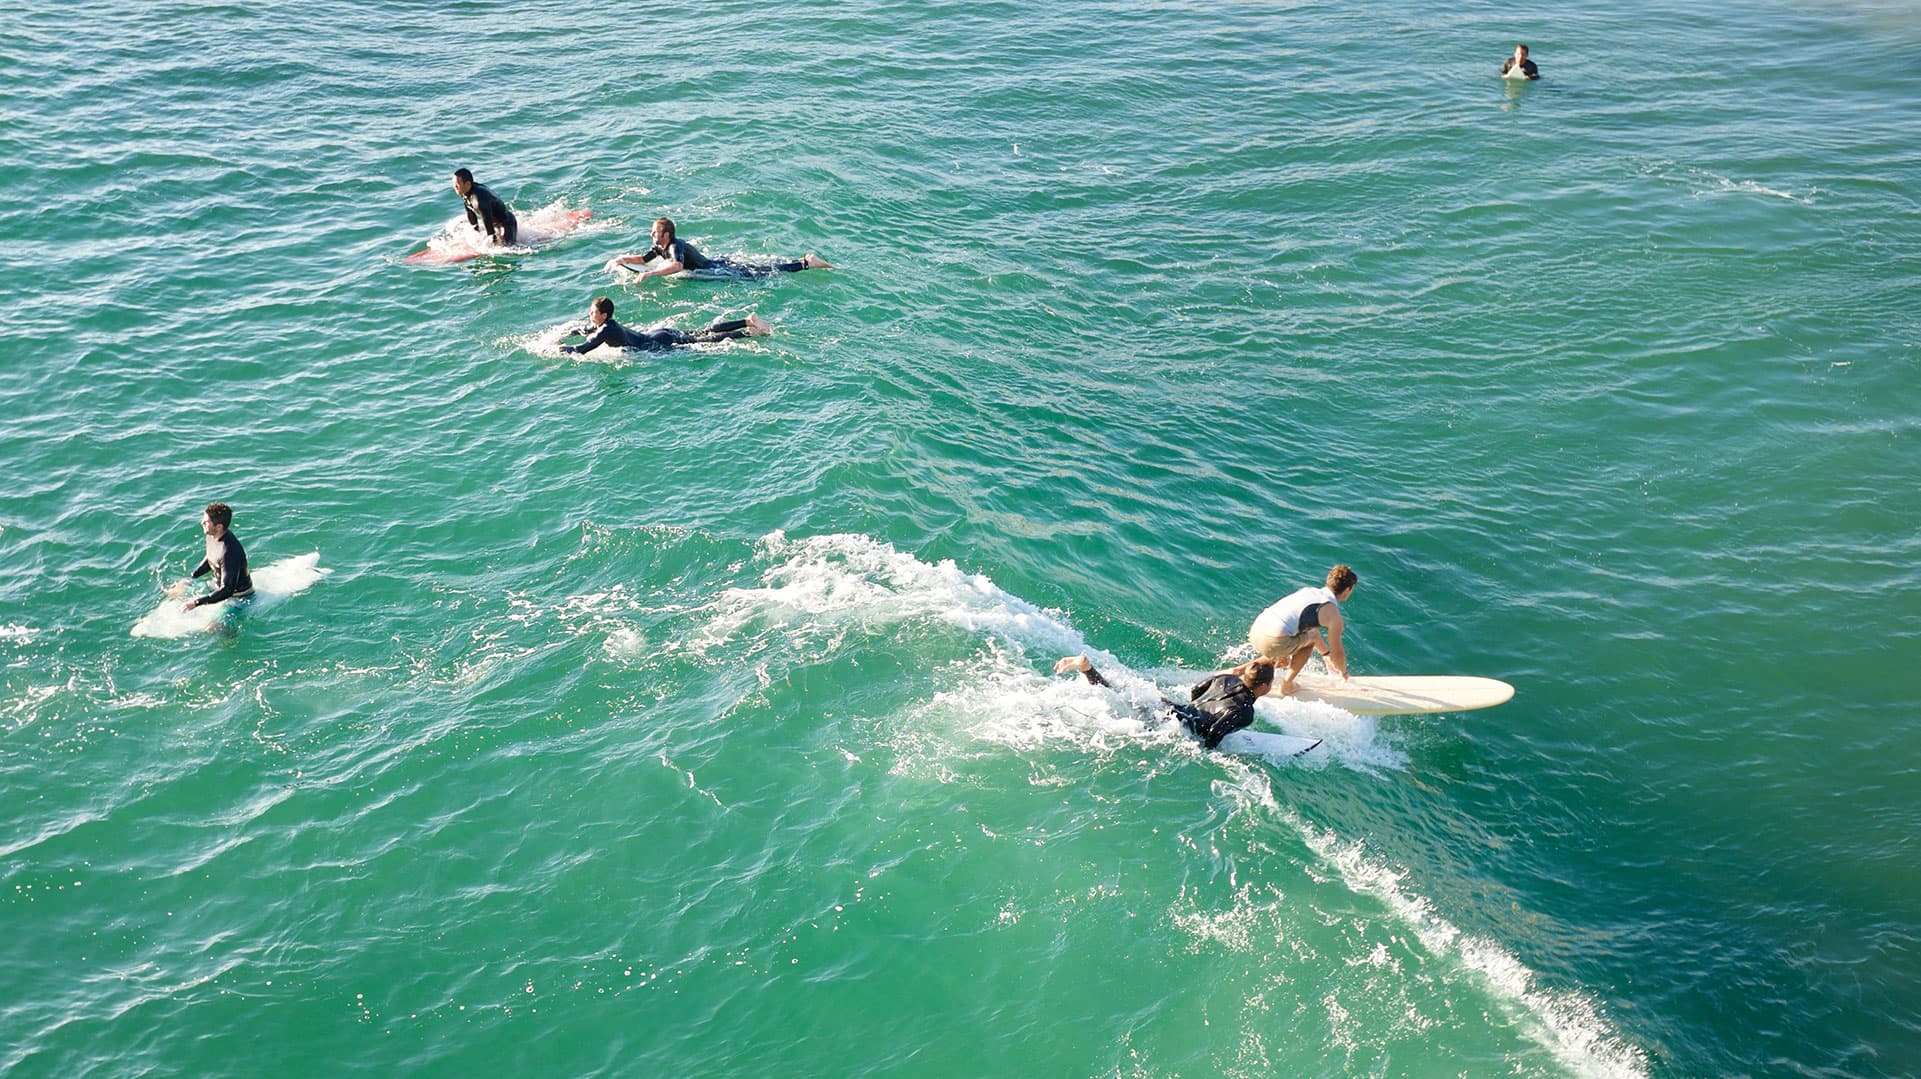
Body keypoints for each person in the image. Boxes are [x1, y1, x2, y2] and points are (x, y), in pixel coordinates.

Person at [1053, 654, 1277, 750]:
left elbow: (1196, 689)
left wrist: (1197, 710)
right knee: (1116, 713)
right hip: (1173, 727)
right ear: (1264, 687)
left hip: (1170, 708)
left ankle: (1087, 668)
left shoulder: (1228, 678)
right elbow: (1215, 734)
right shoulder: (1245, 712)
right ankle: (1087, 669)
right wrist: (1207, 752)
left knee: (1116, 698)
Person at [1249, 565, 1358, 696]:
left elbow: (1308, 629)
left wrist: (1325, 654)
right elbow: (1338, 653)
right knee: (1308, 641)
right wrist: (1343, 673)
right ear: (1347, 590)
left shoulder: (1308, 591)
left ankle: (1239, 671)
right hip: (1272, 640)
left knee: (1285, 658)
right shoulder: (1333, 615)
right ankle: (1287, 685)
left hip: (1256, 631)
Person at [609, 218, 830, 280]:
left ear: (666, 235)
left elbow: (677, 265)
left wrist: (650, 274)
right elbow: (644, 258)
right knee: (760, 269)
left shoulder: (675, 246)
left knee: (762, 273)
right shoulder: (660, 246)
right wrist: (621, 259)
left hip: (717, 268)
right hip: (715, 264)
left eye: (654, 232)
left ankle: (806, 263)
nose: (651, 235)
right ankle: (805, 262)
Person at [557, 296, 771, 354]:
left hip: (658, 343)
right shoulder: (608, 324)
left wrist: (558, 350)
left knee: (708, 341)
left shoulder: (605, 329)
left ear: (603, 315)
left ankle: (751, 334)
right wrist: (569, 333)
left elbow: (583, 349)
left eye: (592, 312)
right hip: (658, 334)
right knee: (702, 332)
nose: (589, 314)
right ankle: (745, 322)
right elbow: (586, 331)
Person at [173, 502, 253, 612]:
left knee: (212, 629)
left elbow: (227, 590)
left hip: (239, 598)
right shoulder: (212, 534)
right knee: (176, 592)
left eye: (206, 522)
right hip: (216, 587)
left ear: (219, 526)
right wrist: (192, 578)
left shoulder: (229, 552)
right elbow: (211, 557)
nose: (202, 523)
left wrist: (196, 603)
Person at [451, 168, 517, 246]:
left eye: (457, 185)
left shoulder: (479, 201)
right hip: (495, 223)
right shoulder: (466, 192)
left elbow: (490, 231)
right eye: (453, 184)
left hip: (507, 223)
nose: (454, 187)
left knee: (508, 248)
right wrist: (475, 232)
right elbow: (470, 211)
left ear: (467, 184)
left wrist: (490, 247)